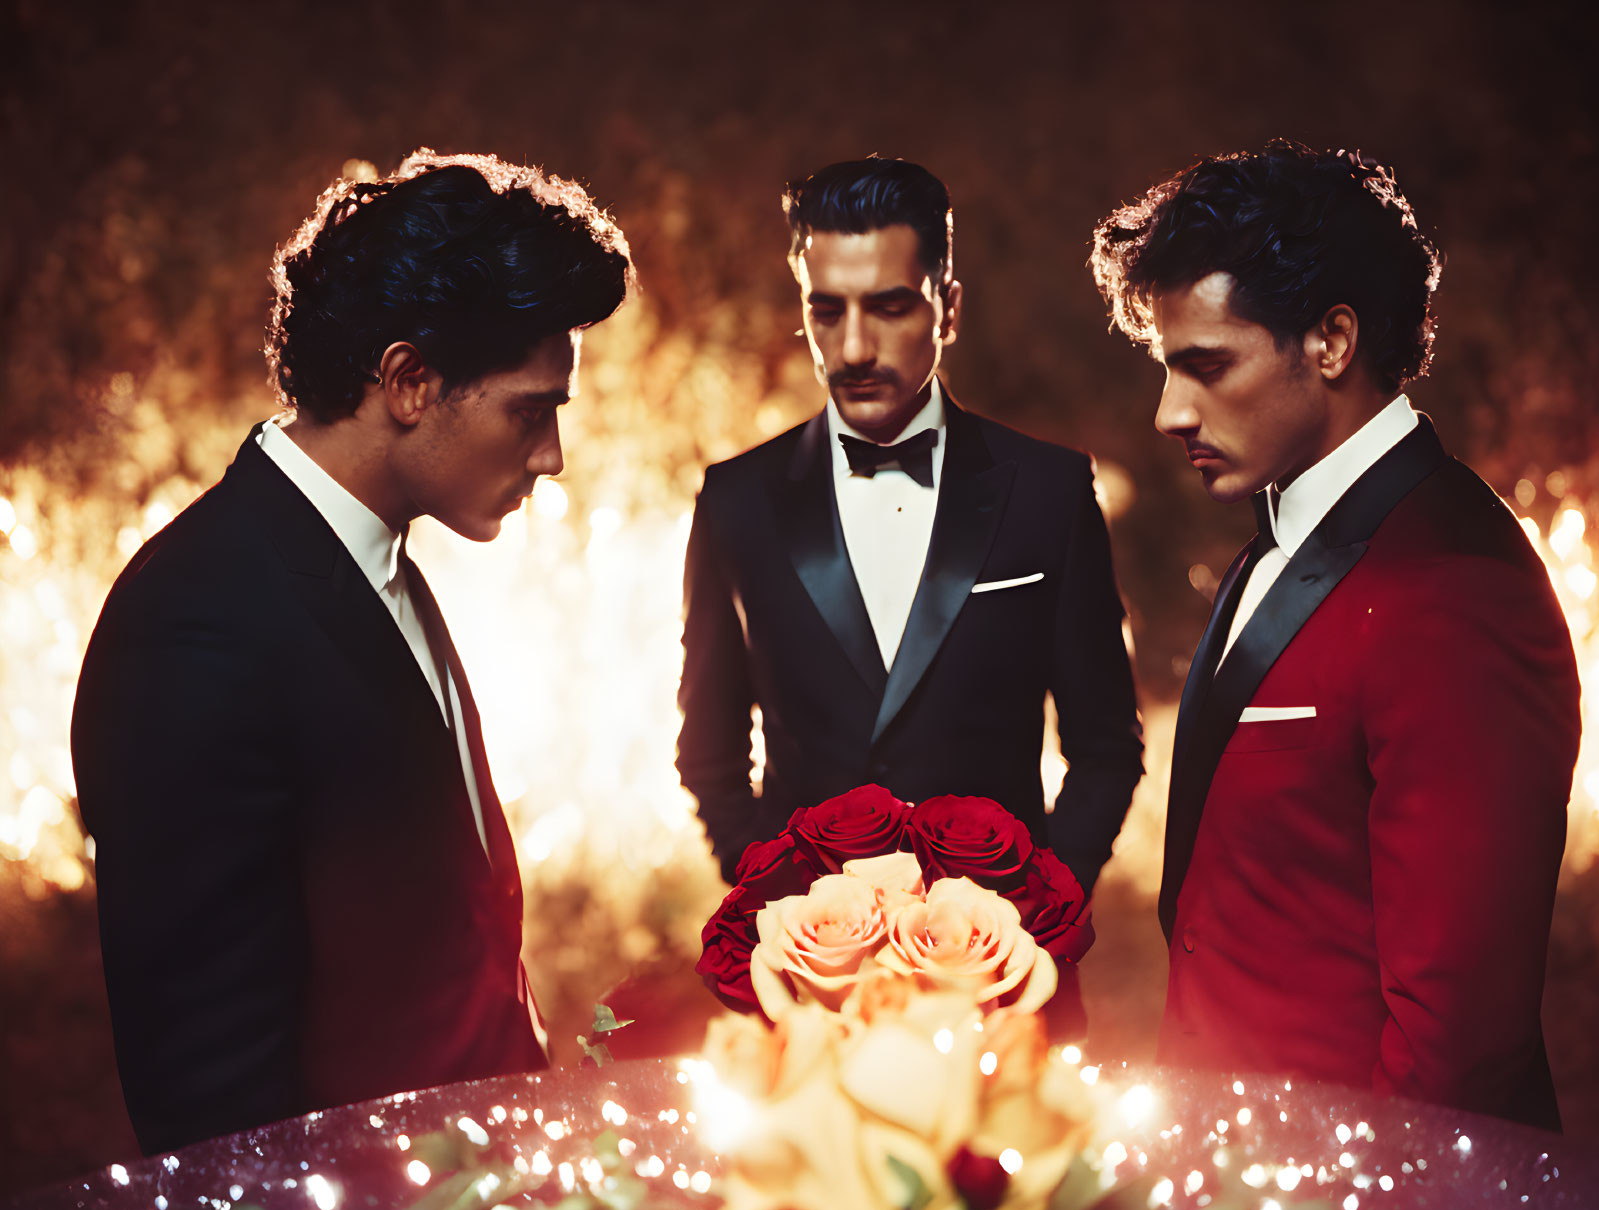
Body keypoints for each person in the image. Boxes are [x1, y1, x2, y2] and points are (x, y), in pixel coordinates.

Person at [71, 151, 632, 1154]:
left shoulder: (372, 561)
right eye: (530, 410)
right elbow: (214, 1110)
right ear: (410, 381)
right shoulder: (197, 624)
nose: (550, 458)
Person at [1090, 140, 1581, 1129]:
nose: (1166, 411)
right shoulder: (1279, 540)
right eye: (1163, 368)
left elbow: (1457, 1045)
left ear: (1330, 341)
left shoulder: (1450, 588)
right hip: (1231, 1196)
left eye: (1205, 365)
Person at [677, 157, 1143, 889]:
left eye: (889, 307)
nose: (854, 349)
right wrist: (769, 899)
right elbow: (708, 750)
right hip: (809, 978)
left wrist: (1043, 905)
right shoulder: (736, 500)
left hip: (1009, 973)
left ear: (947, 309)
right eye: (826, 311)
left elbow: (1106, 745)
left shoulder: (1049, 491)